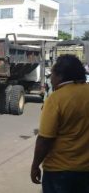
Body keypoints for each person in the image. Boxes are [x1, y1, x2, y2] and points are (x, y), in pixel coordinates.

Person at [31, 54, 89, 193]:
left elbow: (45, 138)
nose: (50, 78)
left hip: (59, 170)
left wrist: (35, 165)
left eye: (52, 74)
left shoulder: (56, 99)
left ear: (60, 76)